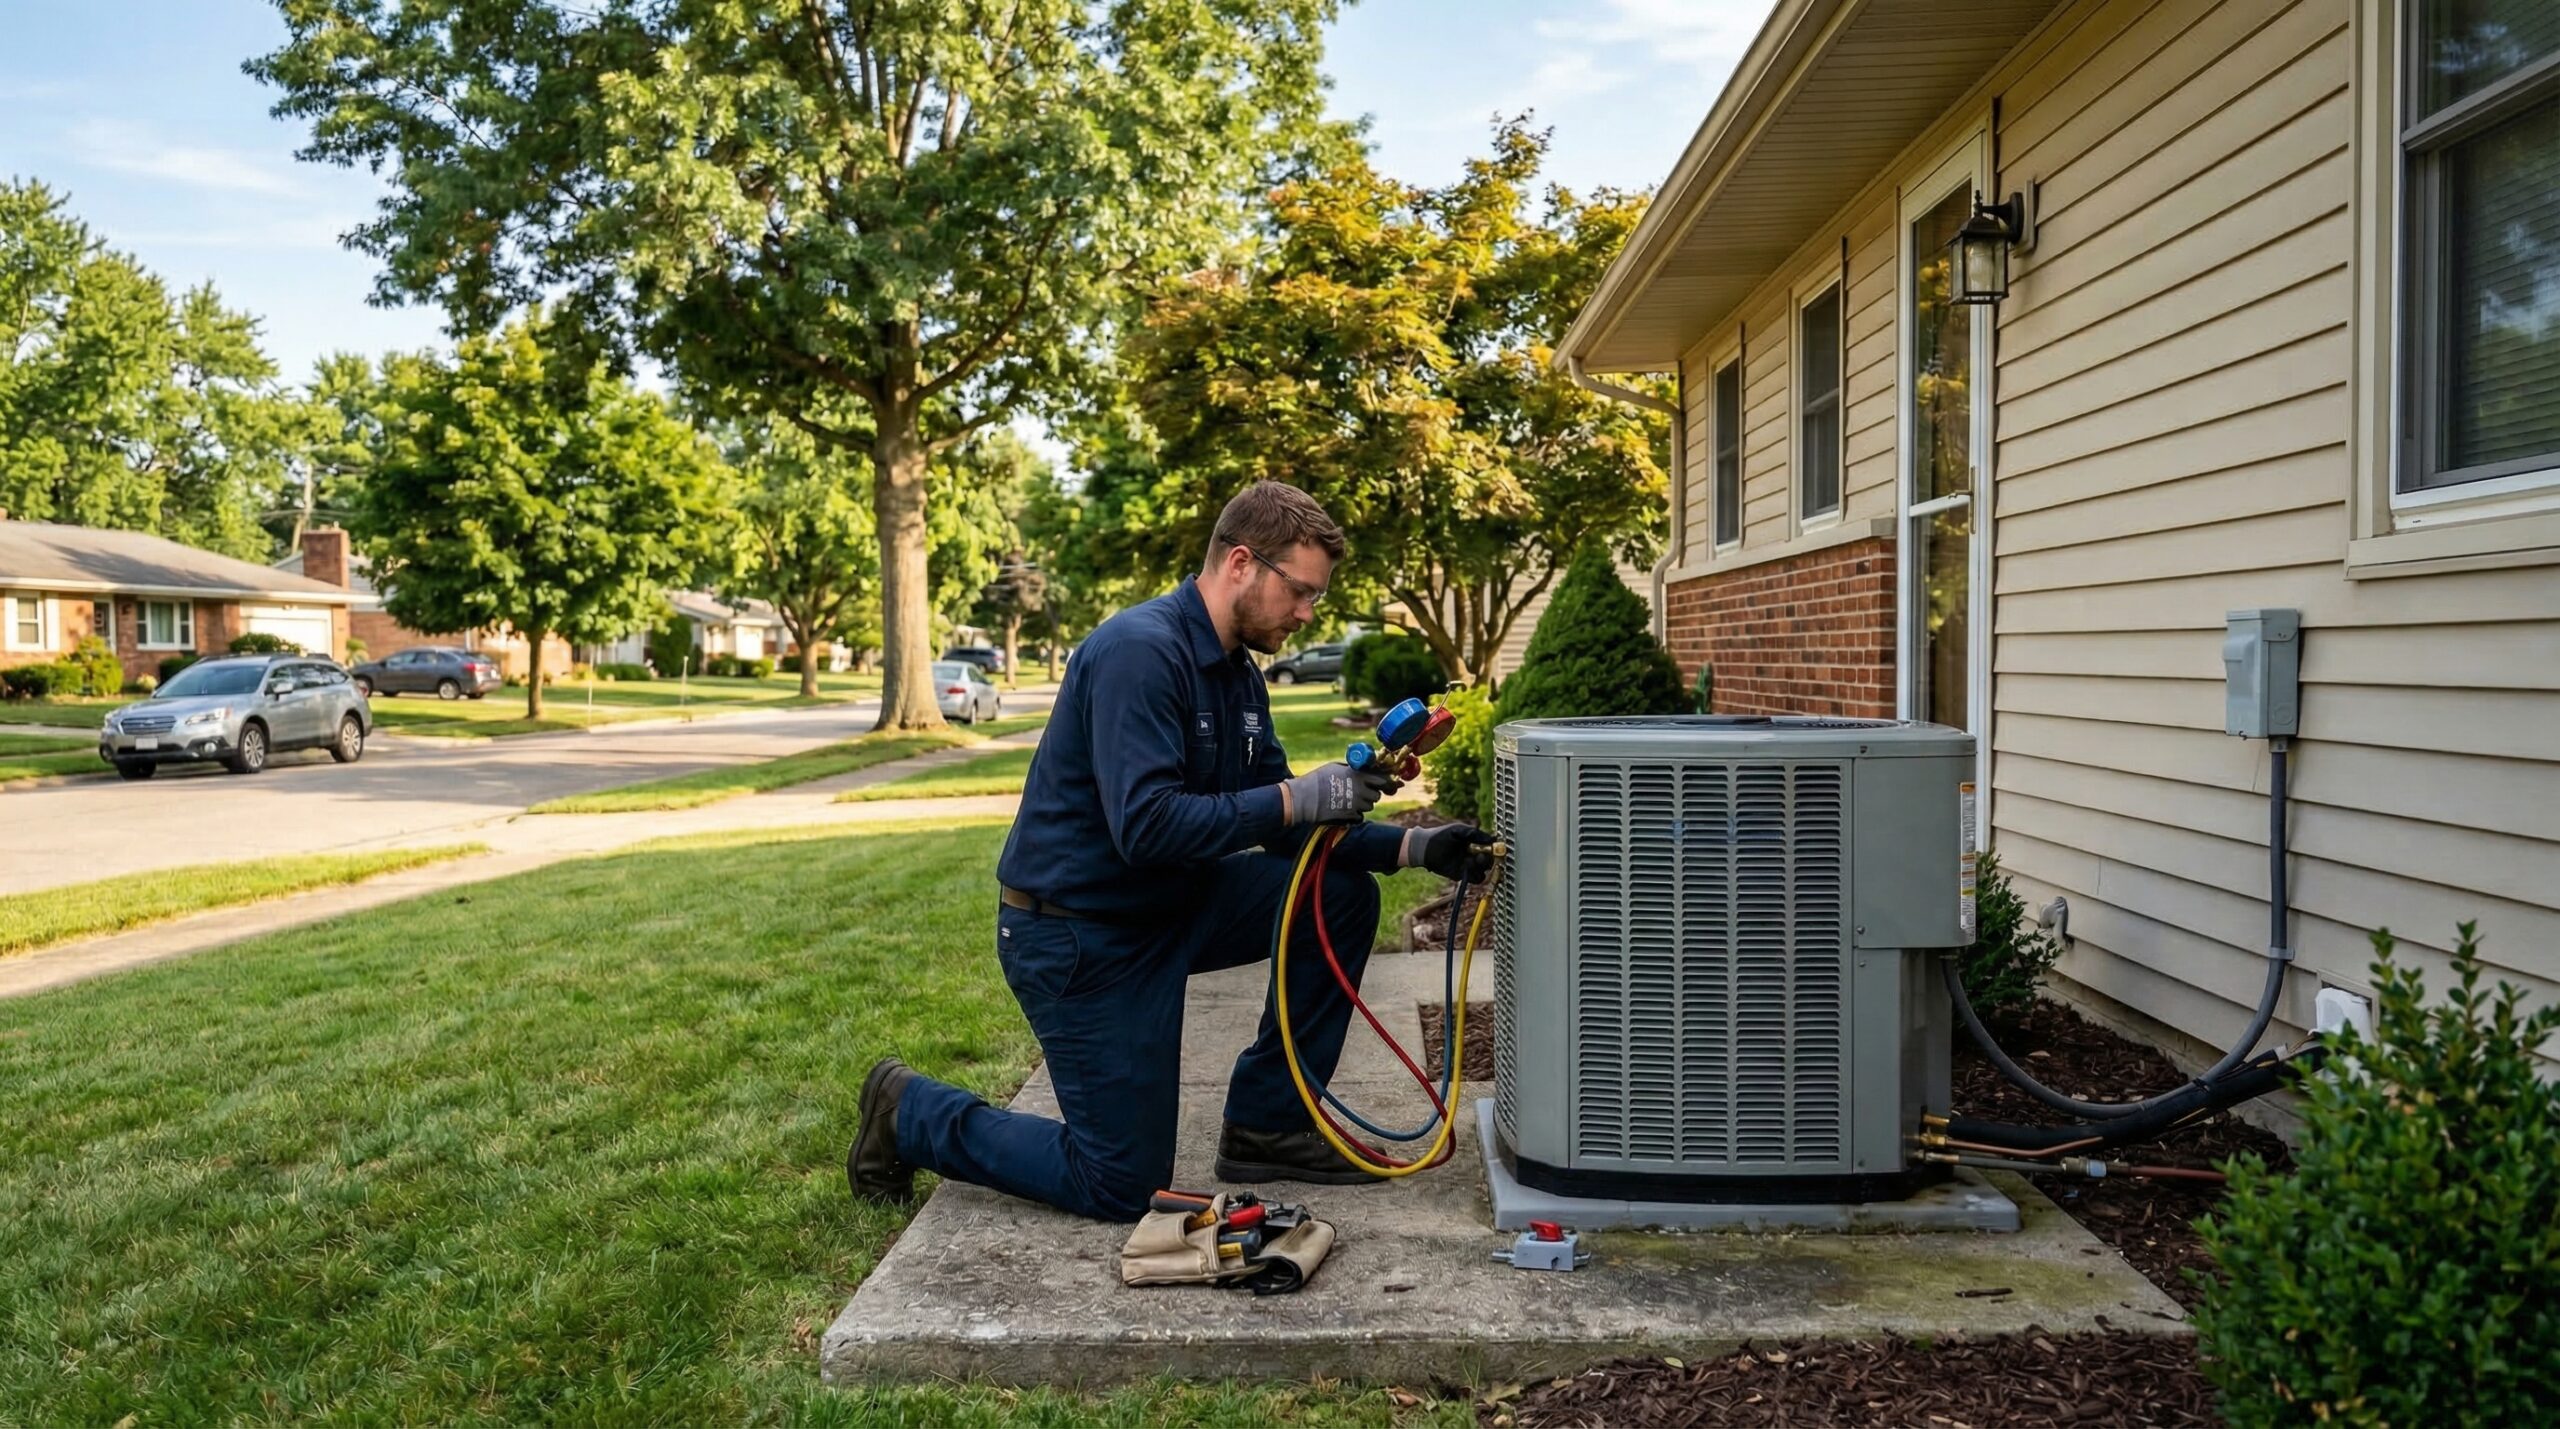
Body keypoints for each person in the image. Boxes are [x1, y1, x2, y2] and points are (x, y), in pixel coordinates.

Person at [846, 481, 1497, 1222]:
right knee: (1121, 1182)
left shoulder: (1239, 675)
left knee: (1341, 892)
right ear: (1242, 563)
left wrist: (1415, 846)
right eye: (1303, 592)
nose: (1309, 612)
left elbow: (1285, 826)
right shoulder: (1138, 653)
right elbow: (1147, 826)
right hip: (1080, 935)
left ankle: (1270, 1124)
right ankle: (910, 1111)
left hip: (1172, 905)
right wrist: (1297, 796)